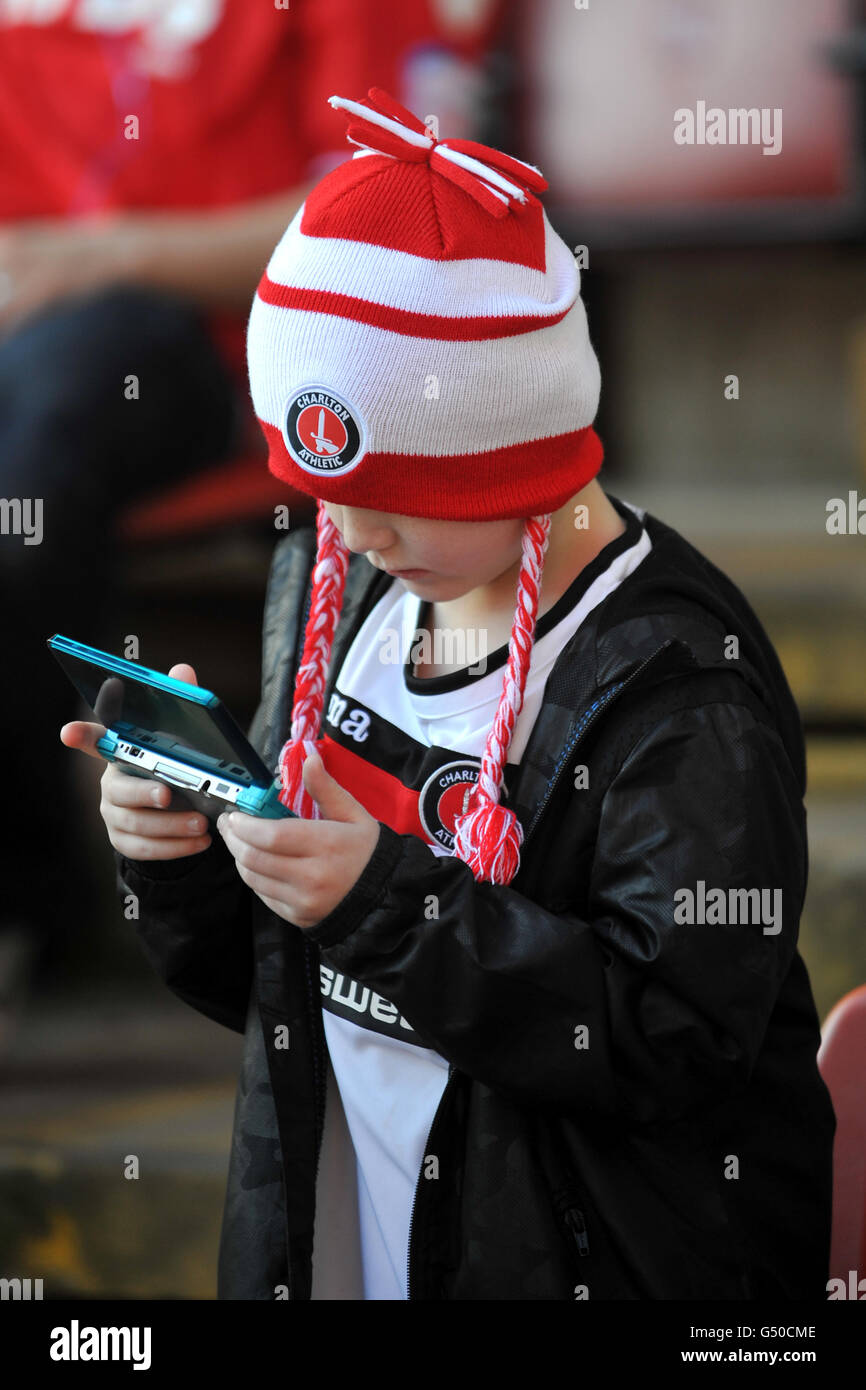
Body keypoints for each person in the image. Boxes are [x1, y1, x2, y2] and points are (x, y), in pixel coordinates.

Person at [61, 87, 835, 1300]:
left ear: (518, 450)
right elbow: (277, 989)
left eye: (400, 491)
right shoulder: (336, 590)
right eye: (323, 489)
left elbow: (669, 1044)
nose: (355, 530)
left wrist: (382, 900)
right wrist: (189, 860)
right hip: (342, 1235)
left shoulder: (679, 690)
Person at [2, 0, 502, 1019]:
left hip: (230, 356)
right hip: (36, 346)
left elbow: (404, 199)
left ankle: (26, 899)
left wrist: (94, 258)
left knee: (33, 474)